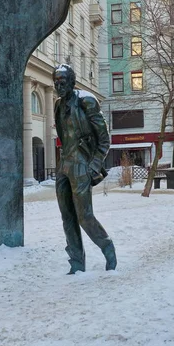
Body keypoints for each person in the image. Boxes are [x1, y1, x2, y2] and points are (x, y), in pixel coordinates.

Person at [53, 64, 117, 274]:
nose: (58, 86)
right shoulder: (57, 106)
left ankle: (107, 246)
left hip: (81, 163)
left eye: (62, 82)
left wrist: (94, 166)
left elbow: (104, 139)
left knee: (84, 215)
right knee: (67, 216)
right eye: (56, 82)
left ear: (72, 82)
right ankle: (76, 262)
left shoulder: (87, 101)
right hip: (64, 165)